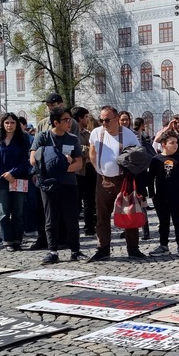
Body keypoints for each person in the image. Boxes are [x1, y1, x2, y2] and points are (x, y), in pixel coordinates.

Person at [88, 105, 146, 262]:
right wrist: (98, 169)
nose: (104, 123)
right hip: (103, 180)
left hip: (123, 180)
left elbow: (138, 155)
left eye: (107, 120)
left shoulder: (128, 135)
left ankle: (133, 248)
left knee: (129, 213)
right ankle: (103, 249)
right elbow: (92, 152)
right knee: (102, 216)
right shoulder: (96, 133)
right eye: (101, 120)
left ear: (116, 119)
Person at [30, 106, 84, 264]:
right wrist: (50, 160)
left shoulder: (72, 138)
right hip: (48, 184)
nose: (69, 122)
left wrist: (60, 168)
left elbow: (79, 163)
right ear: (55, 122)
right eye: (66, 120)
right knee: (50, 219)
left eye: (70, 119)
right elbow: (33, 159)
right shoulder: (42, 136)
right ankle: (52, 251)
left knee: (71, 219)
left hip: (69, 183)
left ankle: (75, 251)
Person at [0, 113, 30, 251]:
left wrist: (13, 173)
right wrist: (5, 173)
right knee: (4, 212)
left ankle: (17, 240)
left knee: (18, 211)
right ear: (2, 124)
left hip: (19, 178)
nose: (9, 125)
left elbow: (26, 160)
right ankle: (7, 240)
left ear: (16, 124)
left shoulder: (23, 139)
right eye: (6, 123)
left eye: (12, 122)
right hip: (2, 180)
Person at [149, 131, 179, 257]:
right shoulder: (155, 160)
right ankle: (163, 246)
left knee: (178, 222)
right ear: (163, 144)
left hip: (177, 197)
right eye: (171, 143)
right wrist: (152, 194)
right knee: (163, 223)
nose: (175, 145)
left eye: (176, 142)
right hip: (161, 197)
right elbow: (151, 179)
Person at [71, 106, 97, 236]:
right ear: (80, 118)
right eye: (86, 117)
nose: (88, 119)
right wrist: (89, 150)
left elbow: (94, 149)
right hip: (77, 171)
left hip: (89, 169)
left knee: (90, 201)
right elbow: (76, 149)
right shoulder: (72, 134)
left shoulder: (88, 133)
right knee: (75, 202)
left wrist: (88, 150)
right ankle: (73, 227)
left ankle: (89, 227)